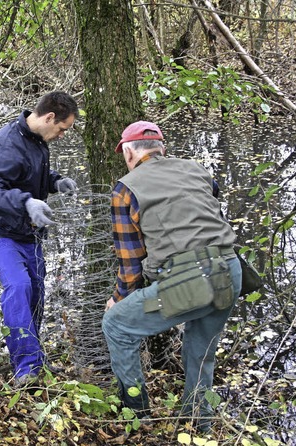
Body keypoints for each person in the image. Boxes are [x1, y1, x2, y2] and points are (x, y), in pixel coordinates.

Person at [102, 121, 242, 432]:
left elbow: (131, 261)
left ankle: (136, 416)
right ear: (162, 148)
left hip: (190, 284)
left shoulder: (126, 188)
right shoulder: (197, 170)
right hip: (231, 270)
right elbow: (210, 210)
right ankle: (198, 424)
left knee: (116, 325)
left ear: (128, 152)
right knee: (201, 351)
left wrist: (119, 299)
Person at [0, 91, 79, 386]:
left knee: (34, 293)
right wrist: (26, 203)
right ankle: (26, 368)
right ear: (49, 118)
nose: (61, 135)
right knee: (18, 286)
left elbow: (31, 174)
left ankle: (35, 359)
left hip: (28, 233)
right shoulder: (4, 144)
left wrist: (56, 181)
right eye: (62, 129)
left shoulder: (37, 140)